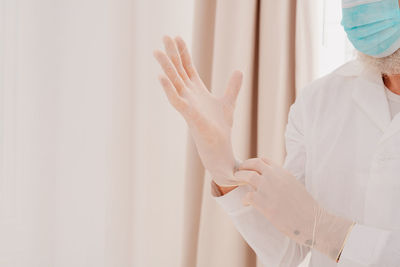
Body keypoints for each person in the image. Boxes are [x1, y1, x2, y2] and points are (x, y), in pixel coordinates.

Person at [153, 0, 400, 266]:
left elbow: (315, 229)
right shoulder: (318, 101)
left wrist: (331, 233)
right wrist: (226, 171)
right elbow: (289, 248)